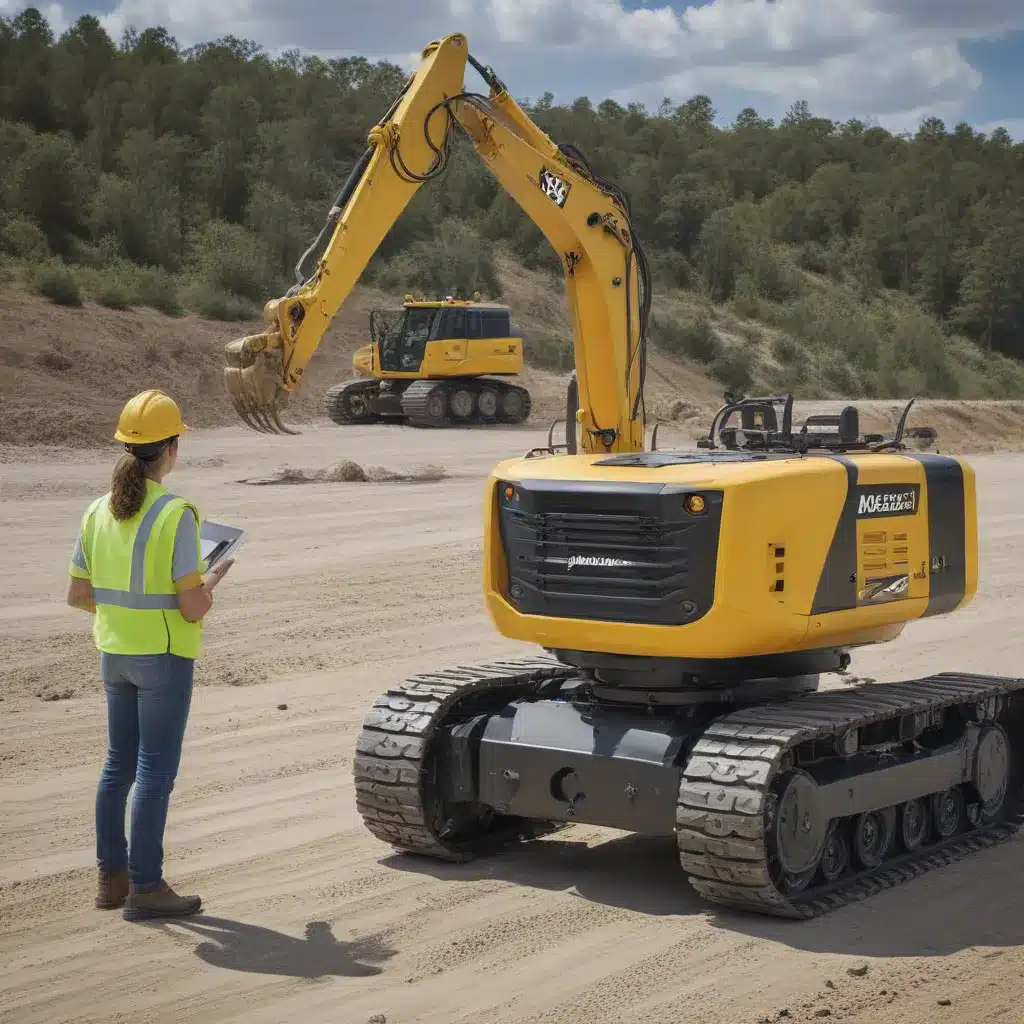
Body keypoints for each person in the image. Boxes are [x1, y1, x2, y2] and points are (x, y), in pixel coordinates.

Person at [66, 389, 233, 921]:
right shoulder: (176, 514)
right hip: (162, 657)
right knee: (155, 773)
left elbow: (78, 596)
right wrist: (213, 577)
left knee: (117, 767)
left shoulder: (97, 511)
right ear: (171, 450)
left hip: (114, 652)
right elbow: (190, 607)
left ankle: (111, 880)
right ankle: (146, 887)